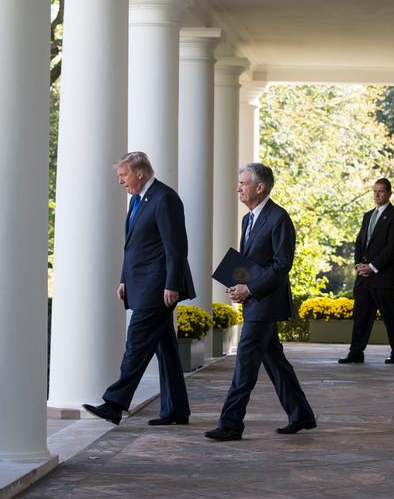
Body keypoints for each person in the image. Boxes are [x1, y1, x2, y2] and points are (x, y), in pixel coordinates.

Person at [205, 163, 315, 441]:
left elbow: (281, 265)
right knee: (276, 362)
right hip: (254, 301)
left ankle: (230, 424)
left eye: (243, 183)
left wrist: (250, 289)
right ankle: (301, 414)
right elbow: (249, 263)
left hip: (266, 304)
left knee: (245, 362)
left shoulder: (279, 218)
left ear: (260, 187)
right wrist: (237, 285)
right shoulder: (248, 219)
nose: (238, 188)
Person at [83, 151, 195, 425]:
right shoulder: (138, 200)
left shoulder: (165, 198)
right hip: (141, 284)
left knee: (136, 343)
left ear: (140, 173)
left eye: (123, 175)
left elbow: (176, 247)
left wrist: (172, 284)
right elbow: (134, 245)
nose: (120, 181)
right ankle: (176, 409)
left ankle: (114, 403)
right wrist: (124, 279)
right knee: (166, 349)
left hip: (157, 288)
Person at [338, 178, 394, 365]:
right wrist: (359, 265)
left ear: (389, 193)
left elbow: (392, 248)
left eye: (381, 191)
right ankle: (356, 352)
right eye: (374, 191)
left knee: (390, 317)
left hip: (383, 278)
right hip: (363, 278)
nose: (377, 195)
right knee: (360, 316)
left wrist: (373, 267)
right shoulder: (368, 215)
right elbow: (360, 243)